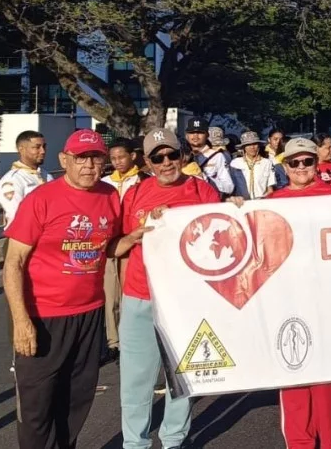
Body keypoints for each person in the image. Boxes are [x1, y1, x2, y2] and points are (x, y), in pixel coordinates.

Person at [3, 130, 140, 448]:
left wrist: (133, 239)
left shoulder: (109, 196)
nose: (89, 165)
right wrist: (22, 321)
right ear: (65, 160)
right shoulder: (42, 199)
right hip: (44, 316)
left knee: (76, 401)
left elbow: (109, 247)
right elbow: (13, 263)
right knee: (37, 409)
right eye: (81, 158)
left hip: (89, 314)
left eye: (96, 158)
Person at [118, 129, 223, 449]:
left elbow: (221, 239)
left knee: (182, 376)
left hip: (185, 299)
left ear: (183, 155)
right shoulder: (134, 194)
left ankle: (173, 440)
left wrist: (234, 208)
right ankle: (134, 443)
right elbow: (119, 246)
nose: (166, 163)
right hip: (140, 296)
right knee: (136, 380)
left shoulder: (202, 190)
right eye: (157, 158)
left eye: (172, 155)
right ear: (147, 162)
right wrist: (139, 231)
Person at [266, 138, 331, 449]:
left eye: (307, 162)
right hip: (287, 300)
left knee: (326, 375)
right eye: (294, 162)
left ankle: (328, 440)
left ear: (316, 163)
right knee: (293, 370)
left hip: (325, 298)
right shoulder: (272, 201)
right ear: (285, 166)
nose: (301, 168)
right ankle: (299, 441)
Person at [99, 137, 148, 364]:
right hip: (110, 242)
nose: (118, 162)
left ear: (133, 156)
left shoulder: (144, 180)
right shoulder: (105, 183)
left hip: (134, 242)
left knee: (129, 294)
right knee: (110, 295)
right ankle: (113, 342)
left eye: (122, 157)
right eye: (114, 158)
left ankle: (129, 339)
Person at [0, 130, 51, 230]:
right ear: (21, 149)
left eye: (44, 146)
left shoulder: (46, 175)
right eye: (36, 147)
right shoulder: (13, 180)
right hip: (26, 239)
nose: (43, 151)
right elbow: (15, 216)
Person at [184, 117, 234, 196]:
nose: (195, 136)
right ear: (186, 135)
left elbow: (229, 187)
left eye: (200, 132)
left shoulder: (217, 156)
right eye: (192, 132)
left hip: (208, 202)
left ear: (207, 135)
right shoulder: (179, 156)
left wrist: (206, 179)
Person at [230, 131, 277, 199]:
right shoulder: (235, 163)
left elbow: (270, 189)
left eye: (255, 144)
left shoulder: (267, 163)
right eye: (248, 145)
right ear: (244, 147)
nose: (252, 147)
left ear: (259, 145)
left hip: (261, 201)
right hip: (242, 203)